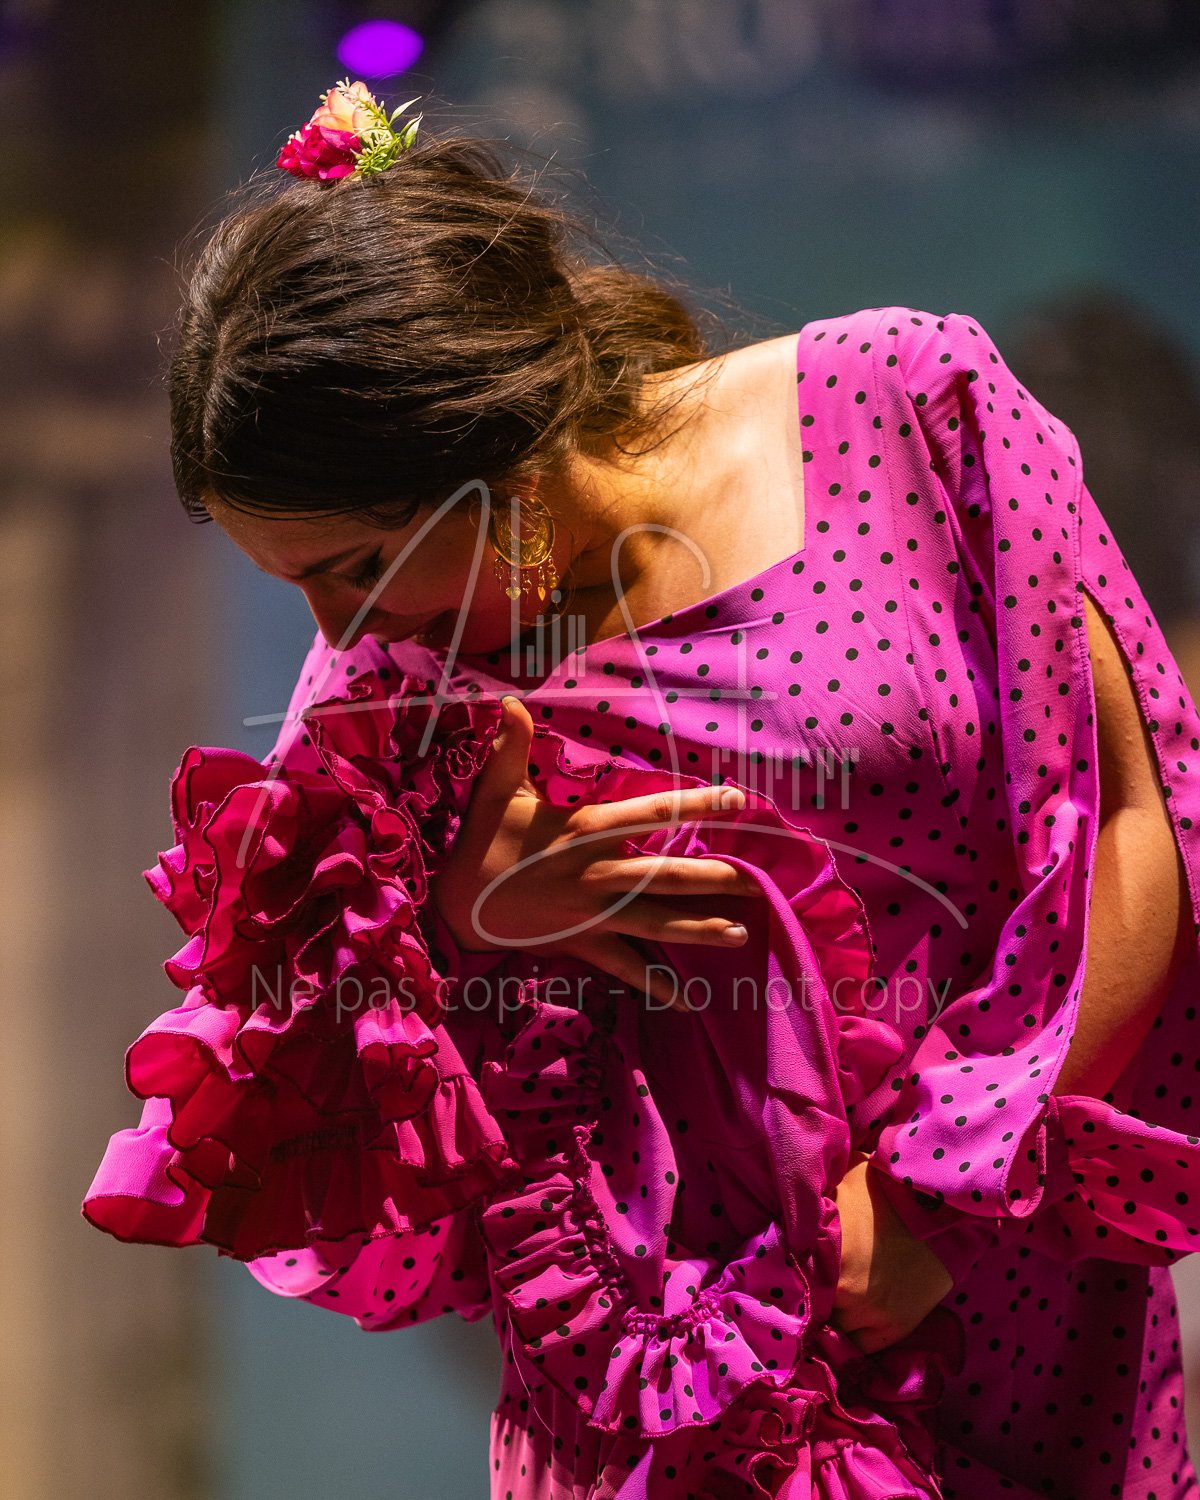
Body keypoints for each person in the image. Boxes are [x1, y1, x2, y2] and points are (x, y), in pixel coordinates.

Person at [84, 84, 1200, 1498]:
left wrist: (942, 1199)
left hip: (1016, 1303)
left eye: (360, 563)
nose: (340, 631)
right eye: (294, 586)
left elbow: (1128, 823)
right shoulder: (391, 681)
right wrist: (459, 927)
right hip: (664, 1392)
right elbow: (296, 1088)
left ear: (492, 446)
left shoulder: (903, 407)